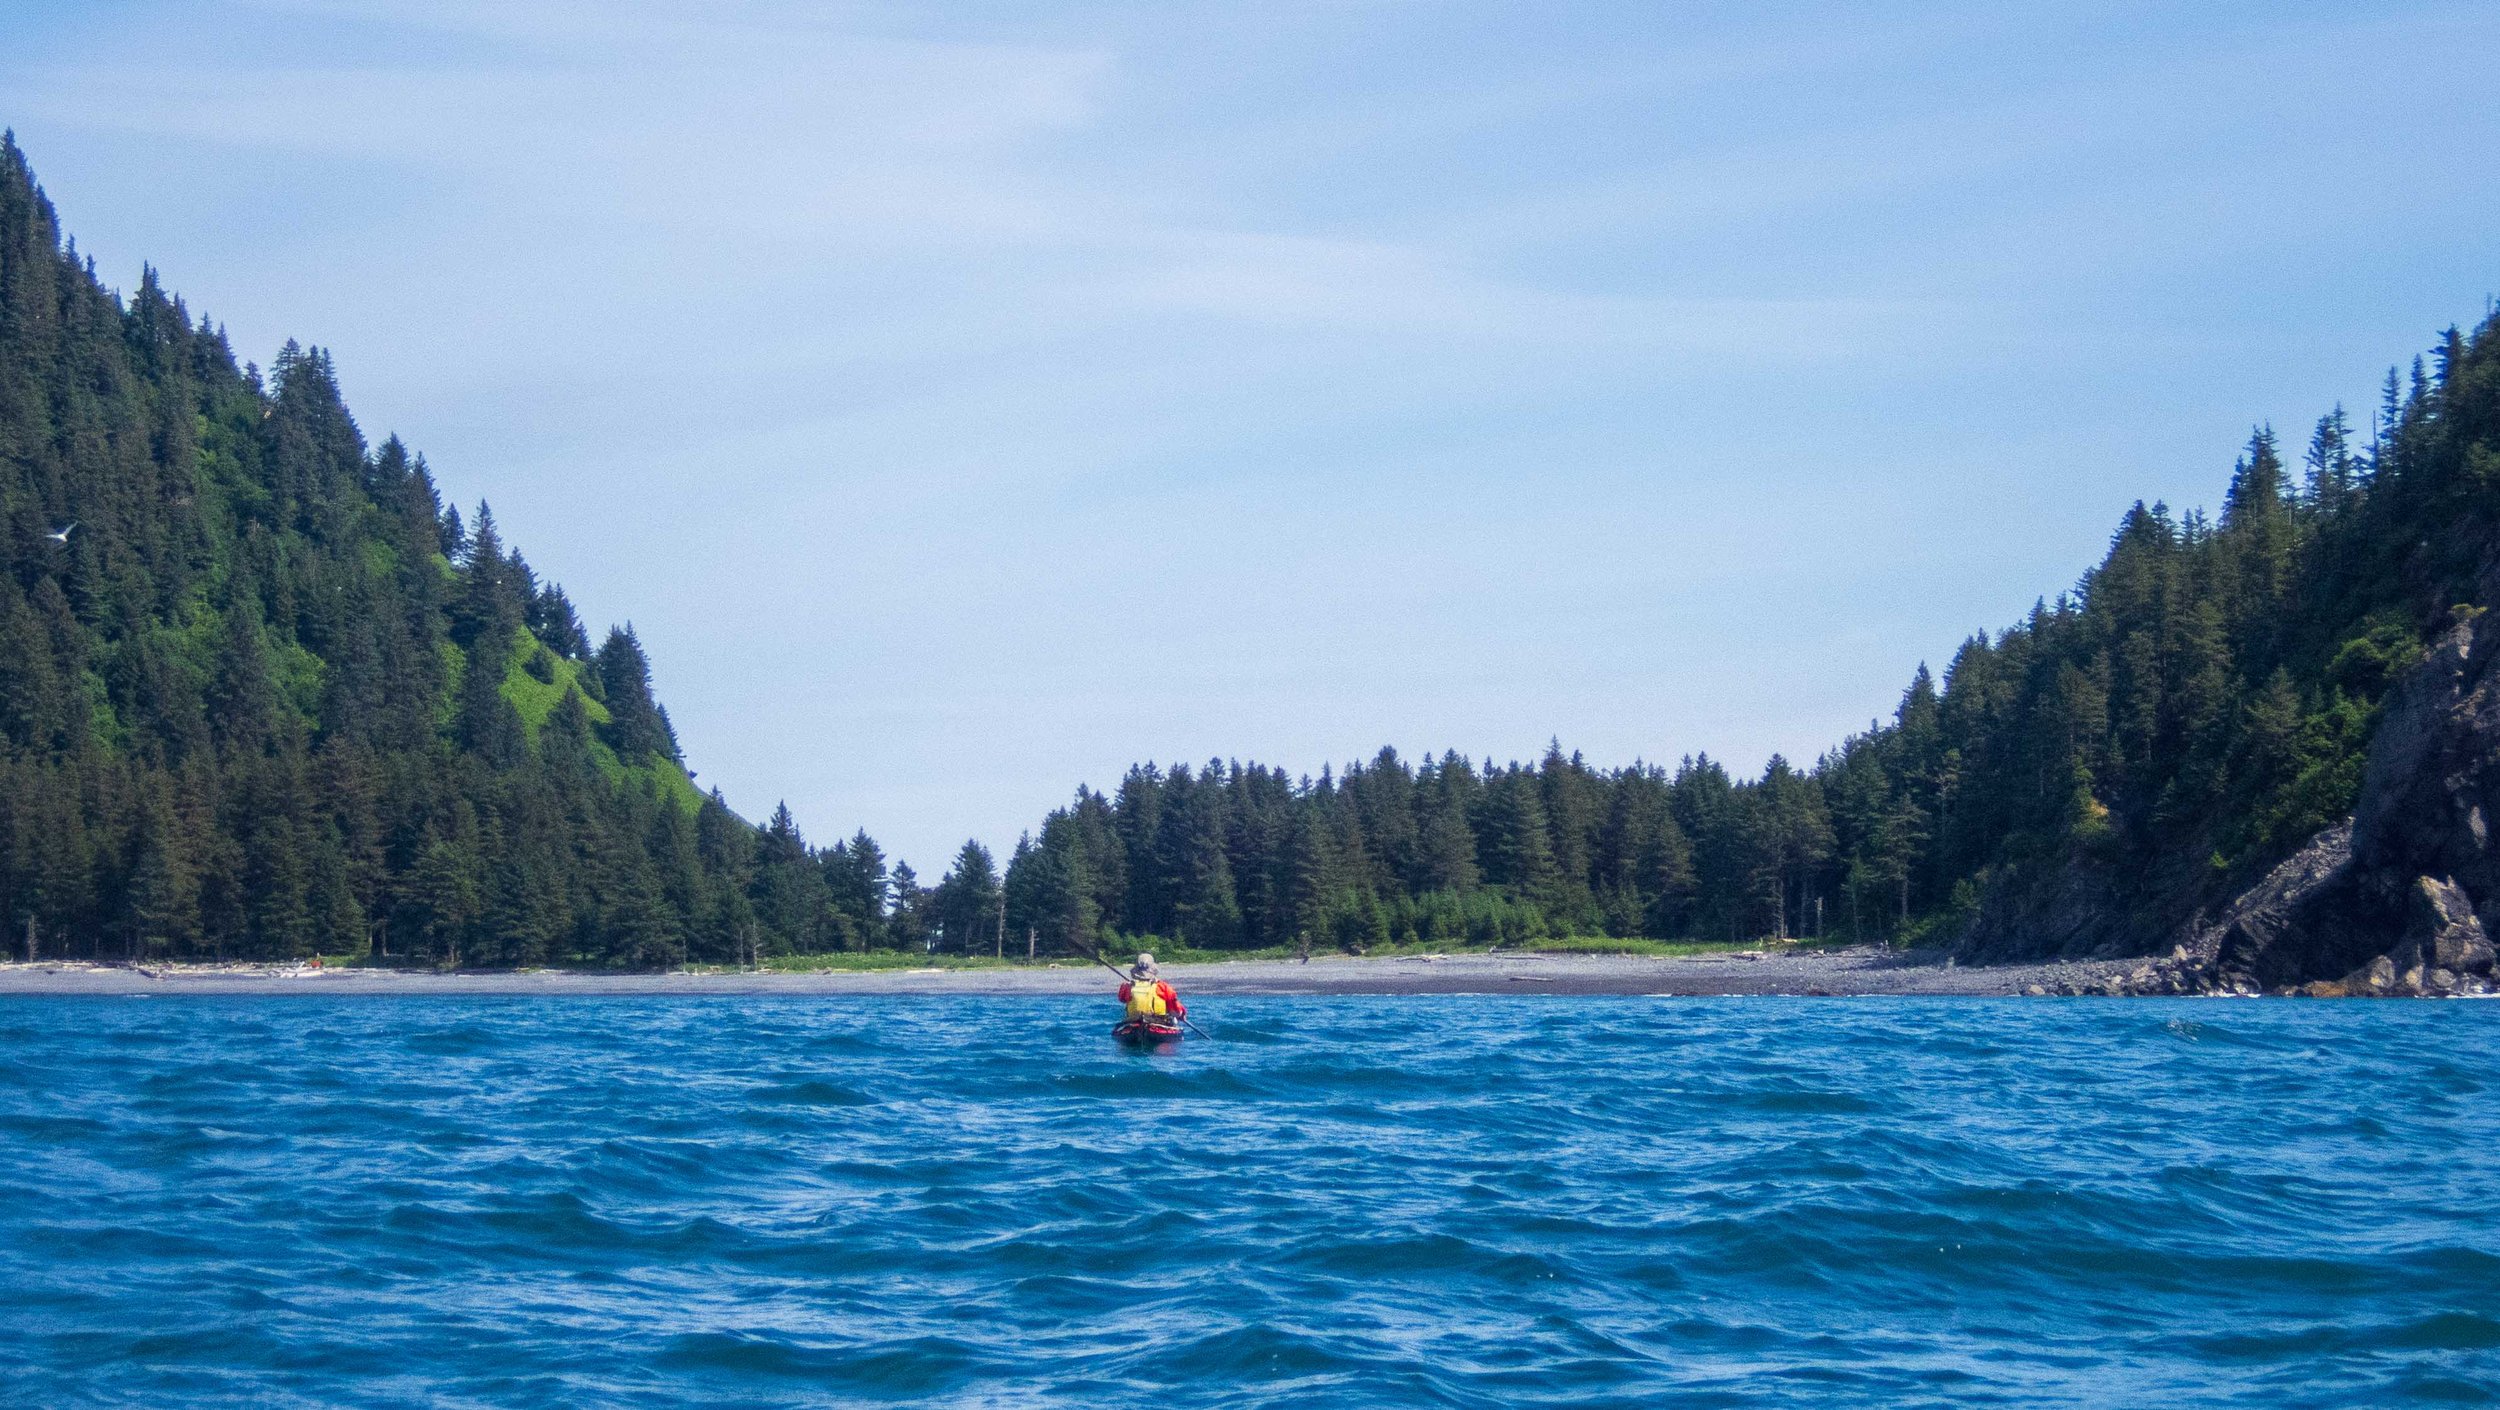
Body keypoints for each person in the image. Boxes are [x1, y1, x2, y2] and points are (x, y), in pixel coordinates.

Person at [1117, 953, 1184, 1025]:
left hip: (1133, 1022)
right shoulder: (1163, 987)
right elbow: (1177, 1012)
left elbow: (1122, 999)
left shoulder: (1127, 986)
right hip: (1158, 1022)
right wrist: (1181, 1015)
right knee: (1172, 1016)